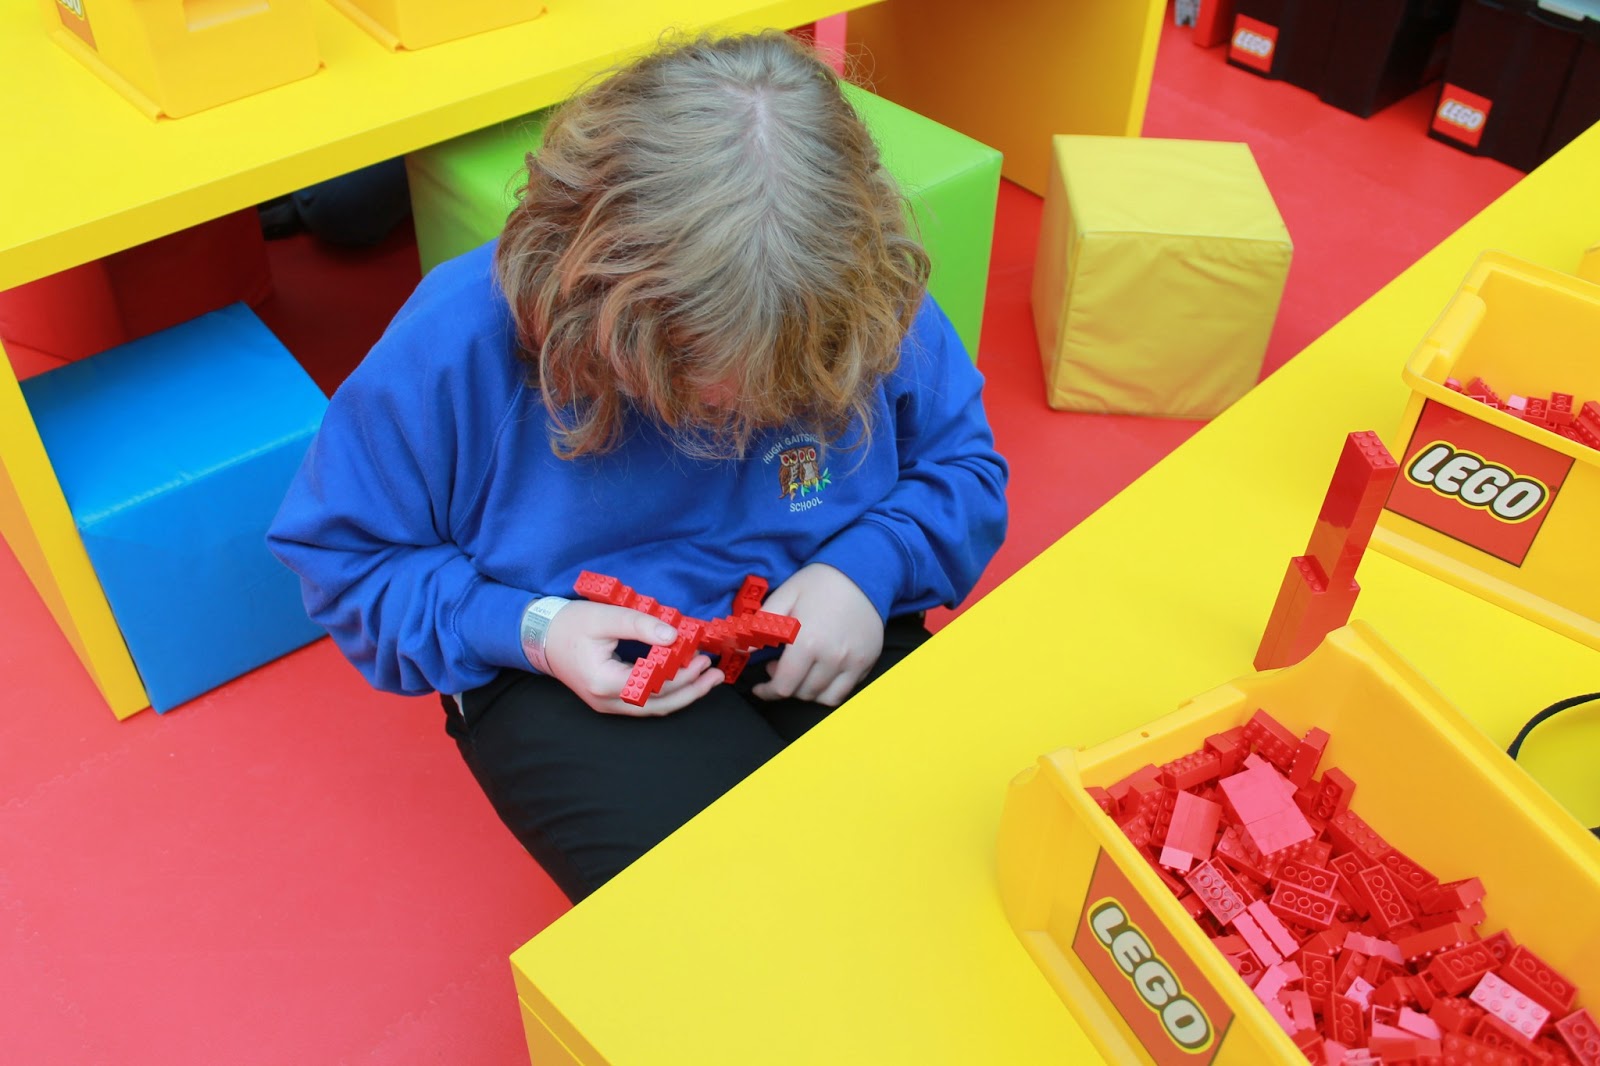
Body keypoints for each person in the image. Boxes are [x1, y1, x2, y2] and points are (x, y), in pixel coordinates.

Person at [267, 30, 1008, 903]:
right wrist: (531, 630)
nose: (734, 416)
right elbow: (346, 559)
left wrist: (867, 569)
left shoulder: (861, 289)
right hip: (561, 659)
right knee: (725, 908)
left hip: (827, 605)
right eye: (697, 379)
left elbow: (965, 469)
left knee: (964, 852)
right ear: (598, 304)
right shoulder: (458, 342)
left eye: (777, 390)